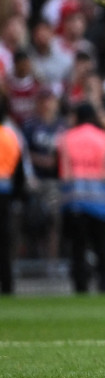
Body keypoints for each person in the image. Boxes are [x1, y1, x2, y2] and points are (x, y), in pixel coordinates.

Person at [58, 102, 105, 294]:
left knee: (77, 249)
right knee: (102, 247)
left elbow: (64, 173)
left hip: (75, 200)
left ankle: (81, 287)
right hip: (100, 201)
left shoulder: (66, 138)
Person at [0, 97, 26, 295]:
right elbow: (19, 173)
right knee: (4, 245)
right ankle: (8, 287)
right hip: (5, 196)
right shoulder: (11, 137)